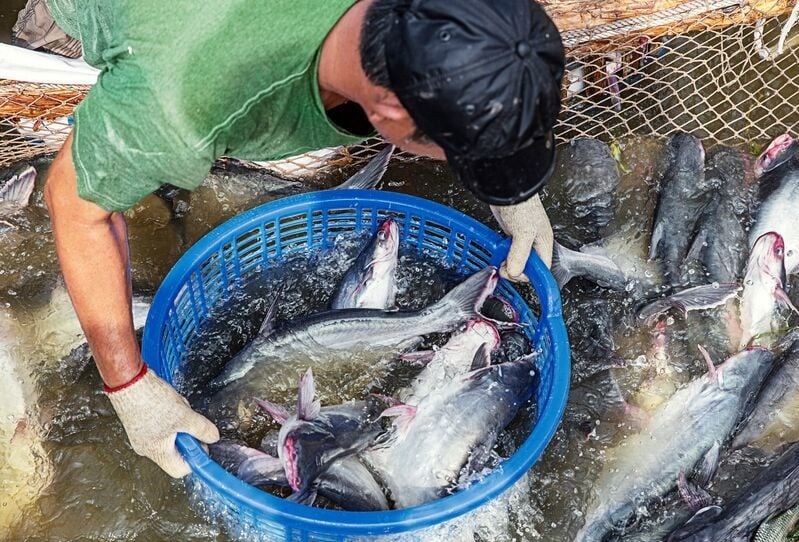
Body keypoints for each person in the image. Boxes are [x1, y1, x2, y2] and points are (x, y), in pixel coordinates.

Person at [34, 0, 565, 479]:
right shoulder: (185, 102)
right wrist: (128, 385)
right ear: (387, 114)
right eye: (461, 156)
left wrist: (508, 183)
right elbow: (75, 205)